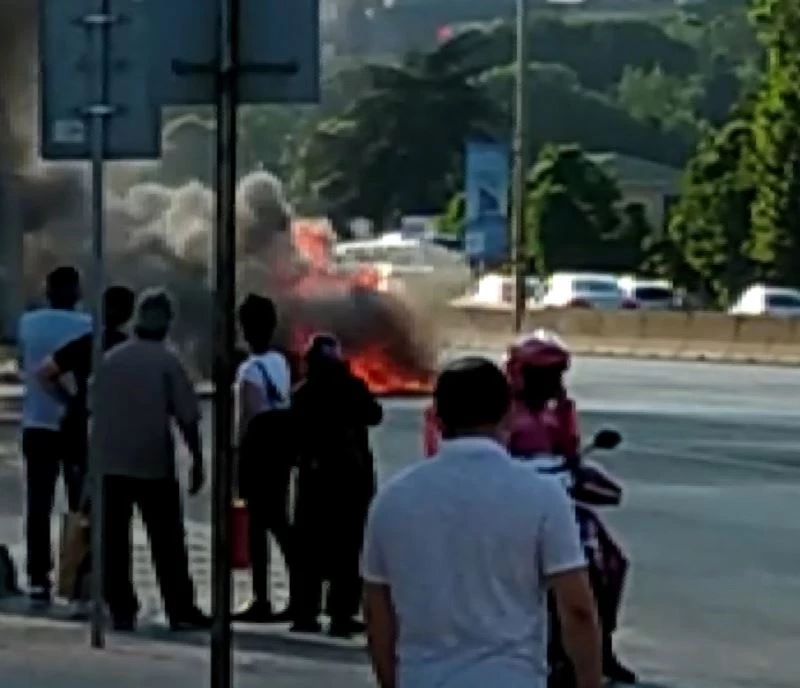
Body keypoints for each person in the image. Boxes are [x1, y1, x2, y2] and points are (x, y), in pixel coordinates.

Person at [362, 356, 602, 688]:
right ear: (507, 415)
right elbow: (577, 610)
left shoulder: (392, 500)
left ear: (438, 419)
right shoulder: (542, 496)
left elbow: (378, 614)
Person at [505, 331, 636, 685]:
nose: (551, 381)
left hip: (561, 502)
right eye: (542, 374)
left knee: (612, 562)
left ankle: (601, 647)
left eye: (556, 374)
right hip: (511, 506)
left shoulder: (558, 412)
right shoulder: (500, 413)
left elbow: (572, 455)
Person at [90, 288, 209, 631]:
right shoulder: (167, 361)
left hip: (110, 463)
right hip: (152, 464)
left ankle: (121, 608)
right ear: (167, 323)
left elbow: (94, 410)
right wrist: (198, 459)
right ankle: (180, 608)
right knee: (167, 539)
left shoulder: (111, 359)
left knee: (113, 540)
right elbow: (187, 416)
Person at [292, 333, 382, 638]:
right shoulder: (352, 387)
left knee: (310, 548)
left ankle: (306, 613)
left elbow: (297, 434)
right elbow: (374, 415)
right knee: (348, 548)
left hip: (315, 478)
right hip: (350, 478)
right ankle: (341, 615)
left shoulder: (304, 392)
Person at [17, 266, 92, 606]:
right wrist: (73, 402)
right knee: (80, 505)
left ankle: (37, 577)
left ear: (47, 291)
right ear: (75, 293)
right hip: (73, 428)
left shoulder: (28, 324)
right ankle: (77, 575)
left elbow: (27, 364)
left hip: (36, 424)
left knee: (38, 504)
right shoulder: (88, 326)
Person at [233, 294, 295, 623]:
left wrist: (236, 453)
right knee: (280, 521)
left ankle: (261, 598)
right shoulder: (280, 362)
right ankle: (300, 590)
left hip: (258, 451)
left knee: (259, 525)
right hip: (281, 450)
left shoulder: (250, 368)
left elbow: (250, 415)